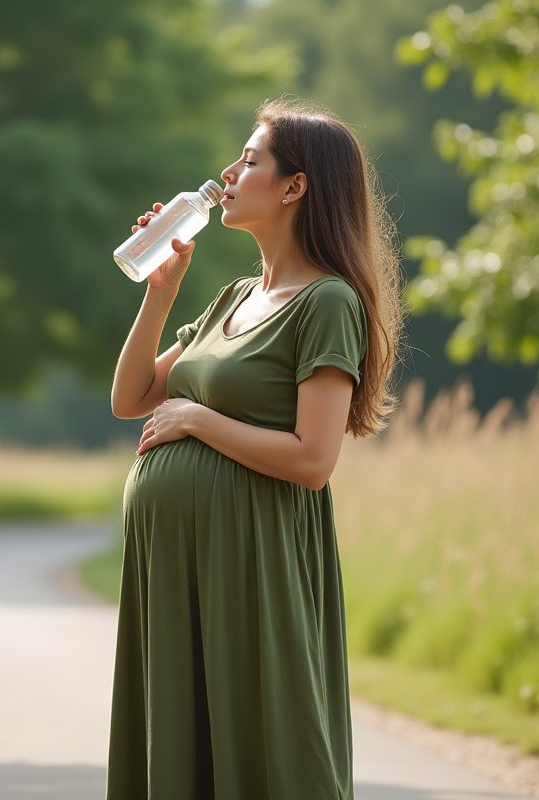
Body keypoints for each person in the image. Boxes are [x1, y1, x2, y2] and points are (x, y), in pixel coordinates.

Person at [106, 98, 403, 800]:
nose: (228, 173)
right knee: (180, 745)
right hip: (176, 568)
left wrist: (197, 421)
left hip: (252, 559)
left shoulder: (327, 302)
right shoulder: (232, 297)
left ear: (295, 187)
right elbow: (129, 399)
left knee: (261, 745)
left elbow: (312, 460)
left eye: (250, 160)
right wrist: (160, 293)